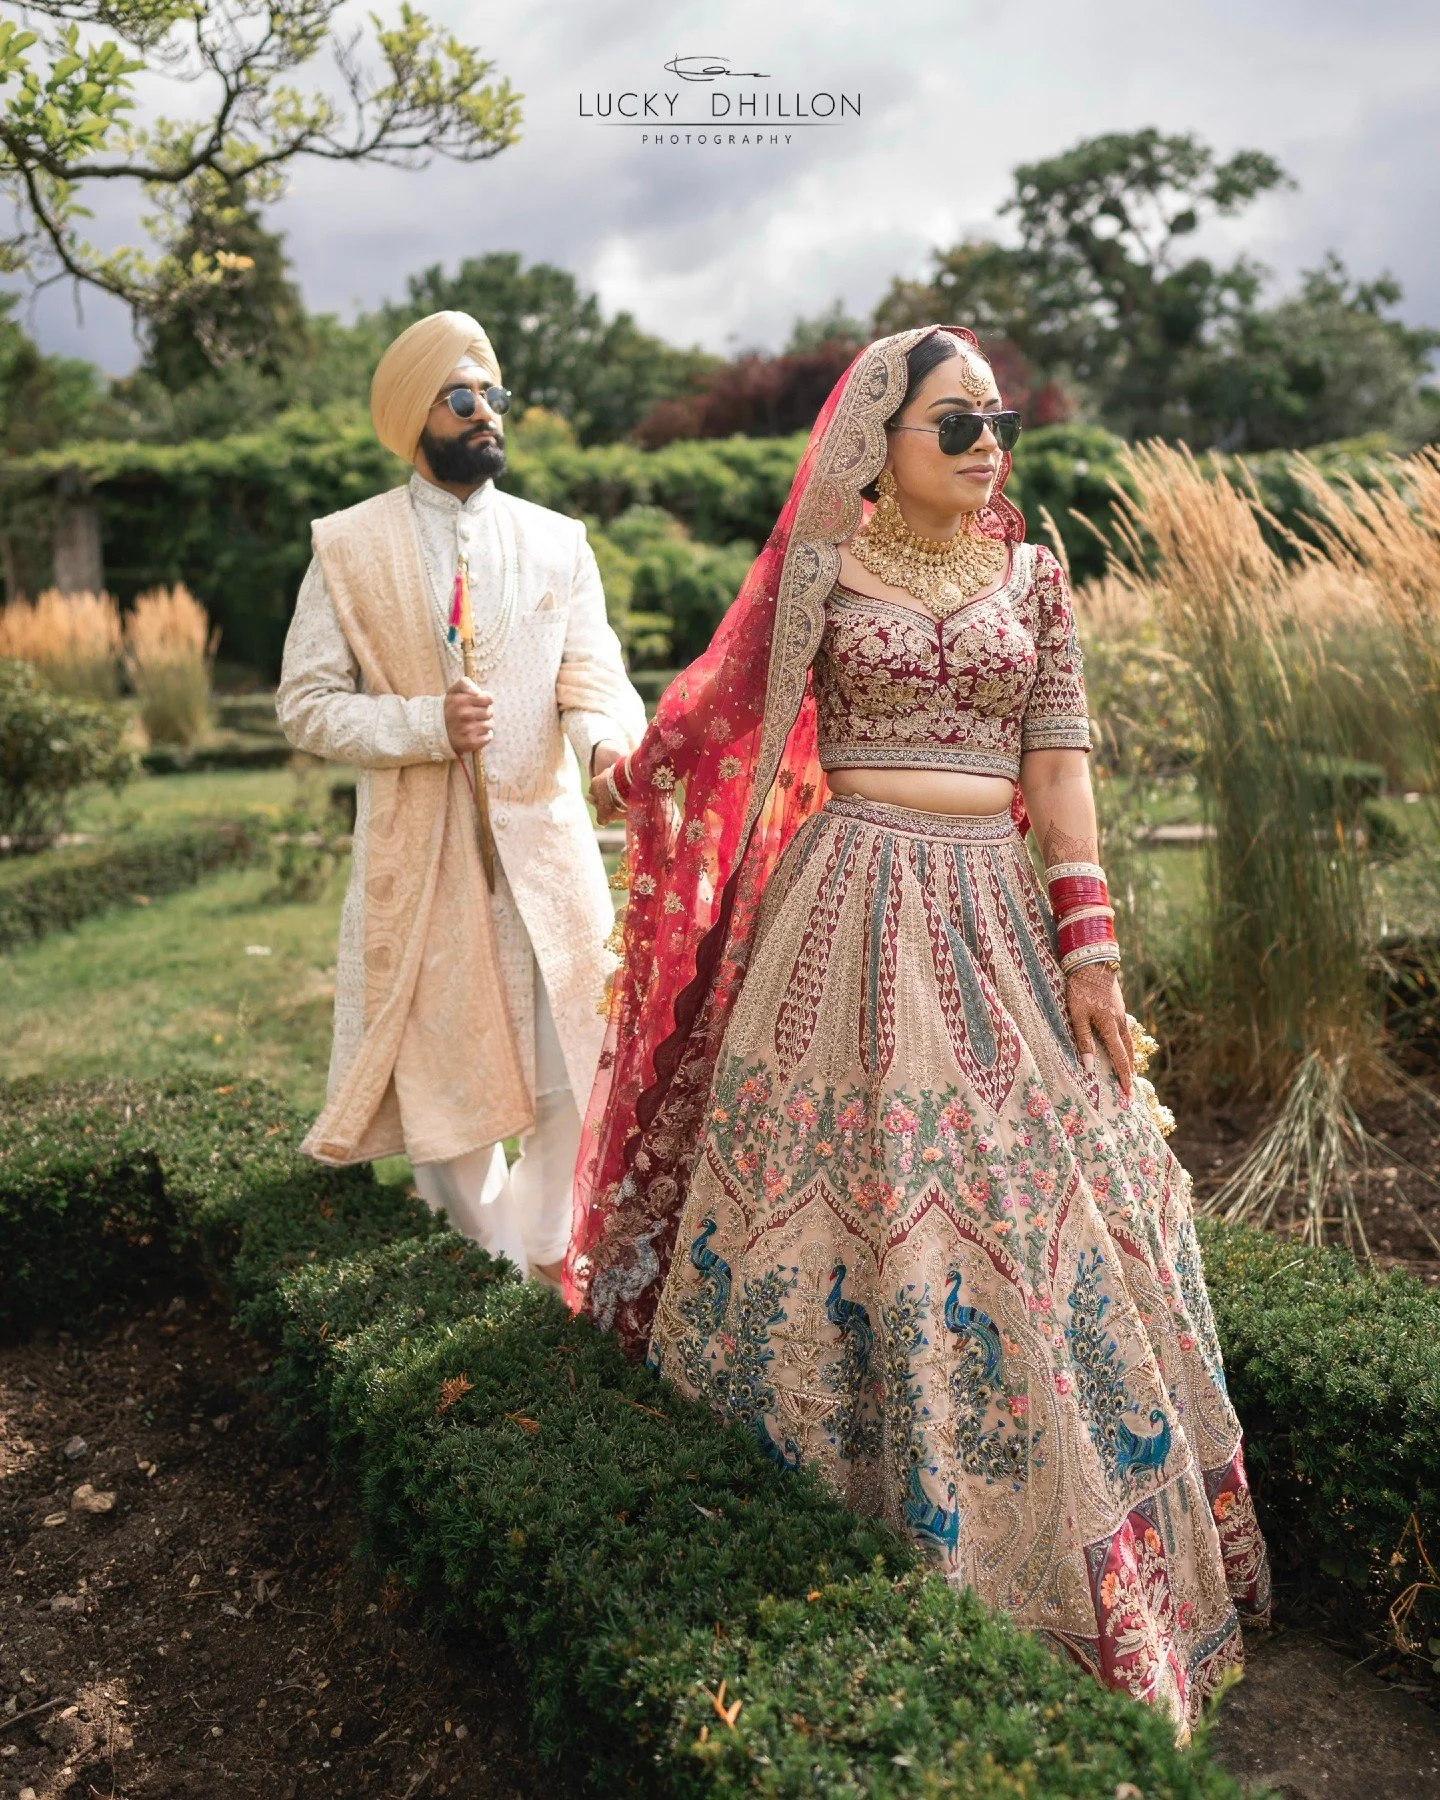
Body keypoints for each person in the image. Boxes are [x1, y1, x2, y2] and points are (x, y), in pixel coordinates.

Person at [568, 326, 1269, 1733]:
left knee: (1049, 1210)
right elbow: (720, 718)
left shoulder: (1037, 579)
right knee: (860, 1204)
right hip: (848, 914)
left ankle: (1095, 1591)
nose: (987, 441)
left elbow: (1060, 773)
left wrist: (1093, 955)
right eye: (955, 422)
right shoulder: (824, 573)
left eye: (995, 419)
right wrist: (629, 770)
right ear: (876, 445)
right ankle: (831, 1523)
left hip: (1001, 922)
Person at [276, 309, 646, 1286]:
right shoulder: (350, 548)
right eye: (461, 395)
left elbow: (594, 676)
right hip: (424, 861)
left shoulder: (558, 541)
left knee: (575, 1065)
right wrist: (422, 726)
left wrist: (609, 749)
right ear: (414, 414)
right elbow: (305, 707)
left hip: (548, 855)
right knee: (446, 1087)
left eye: (492, 394)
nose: (487, 412)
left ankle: (544, 1262)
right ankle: (476, 1272)